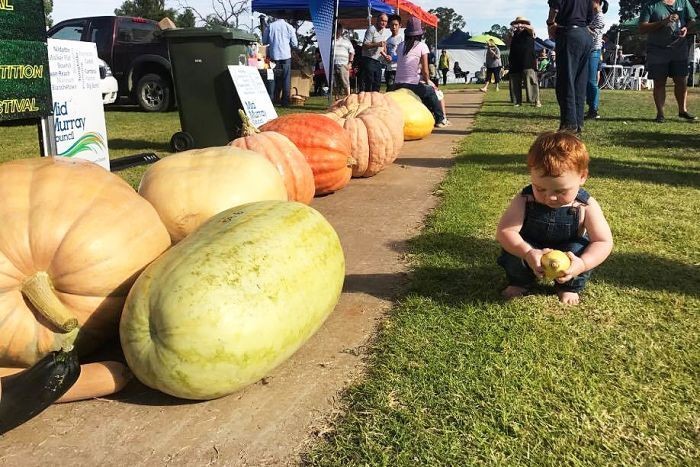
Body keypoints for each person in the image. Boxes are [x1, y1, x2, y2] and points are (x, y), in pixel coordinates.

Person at [496, 131, 613, 305]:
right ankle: (520, 281)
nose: (550, 197)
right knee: (513, 253)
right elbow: (505, 231)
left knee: (579, 249)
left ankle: (568, 286)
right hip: (532, 247)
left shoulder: (584, 205)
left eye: (560, 191)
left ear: (582, 177)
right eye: (540, 189)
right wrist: (527, 252)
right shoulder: (525, 199)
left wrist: (582, 263)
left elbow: (603, 242)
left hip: (568, 251)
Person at [639, 0, 697, 122]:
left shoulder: (683, 2)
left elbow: (692, 20)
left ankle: (683, 110)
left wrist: (686, 28)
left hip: (679, 48)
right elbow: (642, 27)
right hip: (657, 49)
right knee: (659, 81)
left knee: (681, 80)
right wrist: (663, 22)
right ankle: (660, 114)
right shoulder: (651, 5)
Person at [392, 16, 448, 127]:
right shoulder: (422, 46)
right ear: (419, 34)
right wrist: (428, 81)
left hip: (397, 84)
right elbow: (426, 71)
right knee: (431, 92)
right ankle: (440, 119)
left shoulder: (400, 46)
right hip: (411, 85)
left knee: (424, 90)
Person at [547, 0, 593, 133]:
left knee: (566, 80)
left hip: (569, 33)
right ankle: (578, 121)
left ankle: (569, 123)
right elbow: (590, 16)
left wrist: (551, 23)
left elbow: (554, 8)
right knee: (580, 81)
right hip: (584, 34)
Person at [262, 15, 299, 107]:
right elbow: (295, 44)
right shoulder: (289, 27)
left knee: (272, 78)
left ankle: (272, 99)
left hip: (273, 56)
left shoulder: (270, 26)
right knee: (286, 79)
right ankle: (285, 101)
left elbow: (264, 41)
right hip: (285, 56)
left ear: (275, 17)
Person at [507, 16, 541, 107]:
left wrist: (522, 26)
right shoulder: (514, 34)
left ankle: (535, 101)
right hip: (514, 61)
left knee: (530, 81)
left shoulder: (529, 31)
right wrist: (510, 33)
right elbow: (508, 44)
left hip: (528, 61)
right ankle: (517, 101)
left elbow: (531, 29)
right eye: (518, 23)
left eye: (522, 22)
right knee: (515, 82)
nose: (519, 25)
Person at [585, 0, 608, 120]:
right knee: (586, 81)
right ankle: (590, 107)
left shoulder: (599, 17)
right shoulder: (589, 15)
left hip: (593, 51)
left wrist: (581, 27)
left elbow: (593, 34)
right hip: (586, 50)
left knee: (591, 81)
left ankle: (593, 109)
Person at [360, 13, 391, 92]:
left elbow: (383, 46)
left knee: (377, 84)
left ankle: (375, 102)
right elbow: (364, 45)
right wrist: (377, 44)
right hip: (369, 59)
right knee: (369, 84)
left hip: (378, 61)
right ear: (377, 20)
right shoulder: (371, 29)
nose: (383, 23)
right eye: (382, 20)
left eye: (386, 21)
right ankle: (367, 102)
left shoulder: (384, 31)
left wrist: (386, 56)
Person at [333, 24, 355, 98]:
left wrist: (350, 63)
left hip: (343, 65)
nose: (338, 31)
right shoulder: (331, 40)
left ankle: (348, 98)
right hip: (333, 64)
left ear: (341, 31)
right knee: (334, 83)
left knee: (345, 83)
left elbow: (352, 52)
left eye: (340, 30)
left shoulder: (346, 41)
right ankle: (337, 99)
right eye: (337, 29)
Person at [384, 15, 404, 89]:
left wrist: (393, 58)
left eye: (396, 25)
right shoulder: (388, 40)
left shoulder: (402, 39)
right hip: (389, 68)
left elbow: (403, 55)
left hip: (397, 69)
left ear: (400, 26)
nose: (394, 27)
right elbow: (387, 54)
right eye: (392, 25)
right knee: (389, 89)